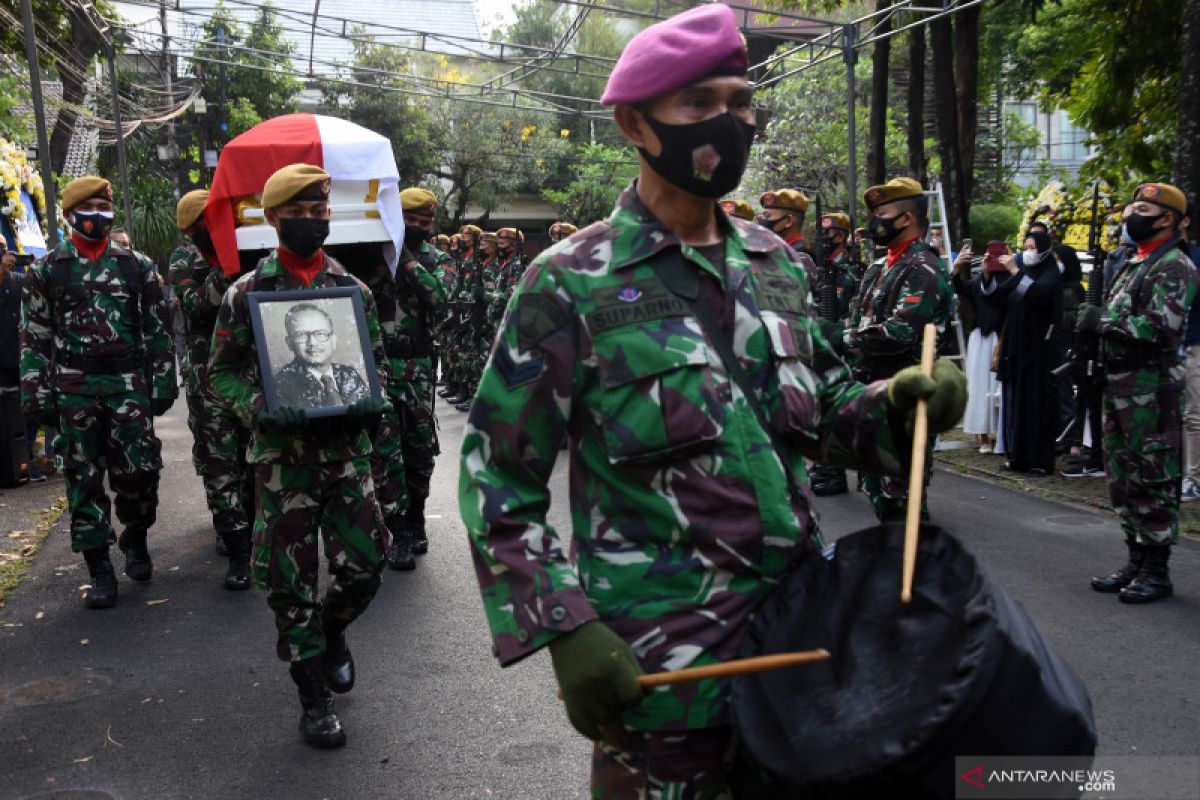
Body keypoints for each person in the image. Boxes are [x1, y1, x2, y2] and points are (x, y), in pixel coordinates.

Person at [458, 6, 967, 796]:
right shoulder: (568, 279)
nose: (728, 124)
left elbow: (823, 408)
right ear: (634, 121)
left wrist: (900, 405)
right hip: (662, 672)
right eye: (699, 106)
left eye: (739, 103)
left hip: (798, 654)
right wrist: (564, 628)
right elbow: (498, 477)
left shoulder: (776, 265)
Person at [209, 164, 389, 747]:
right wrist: (261, 404)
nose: (314, 223)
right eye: (301, 214)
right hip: (283, 461)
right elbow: (222, 374)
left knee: (366, 565)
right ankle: (313, 698)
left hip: (346, 456)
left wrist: (370, 399)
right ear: (273, 218)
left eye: (321, 213)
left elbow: (374, 364)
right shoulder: (247, 294)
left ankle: (333, 630)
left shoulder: (353, 292)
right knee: (288, 581)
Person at [20, 176, 177, 609]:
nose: (98, 216)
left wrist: (163, 380)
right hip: (75, 389)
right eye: (89, 208)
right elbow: (34, 337)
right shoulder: (48, 270)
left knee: (139, 472)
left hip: (128, 385)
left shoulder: (136, 266)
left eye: (104, 207)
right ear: (70, 215)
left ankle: (136, 534)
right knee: (83, 477)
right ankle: (99, 568)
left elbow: (157, 328)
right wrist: (35, 392)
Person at [1079, 183, 1197, 603]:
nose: (1132, 213)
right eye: (1132, 206)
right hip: (1120, 386)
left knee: (1153, 478)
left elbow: (1161, 326)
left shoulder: (1175, 266)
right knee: (1123, 480)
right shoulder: (1133, 263)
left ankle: (1157, 571)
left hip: (1151, 391)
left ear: (1167, 218)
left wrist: (1103, 320)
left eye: (1142, 207)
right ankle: (1136, 559)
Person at [841, 177, 956, 522]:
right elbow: (857, 319)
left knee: (902, 501)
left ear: (905, 219)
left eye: (883, 212)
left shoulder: (923, 269)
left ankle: (912, 570)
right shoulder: (881, 267)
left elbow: (899, 331)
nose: (874, 220)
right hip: (873, 391)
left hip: (905, 395)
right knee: (877, 491)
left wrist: (840, 339)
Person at [168, 190, 255, 588]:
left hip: (250, 373)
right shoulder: (184, 261)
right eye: (208, 222)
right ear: (192, 228)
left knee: (254, 459)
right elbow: (197, 303)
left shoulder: (250, 249)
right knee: (220, 466)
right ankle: (238, 550)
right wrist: (232, 266)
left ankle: (254, 532)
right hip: (208, 377)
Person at [981, 231, 1062, 475]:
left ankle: (1039, 459)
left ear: (1045, 250)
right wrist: (987, 273)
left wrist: (1016, 272)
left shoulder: (1050, 274)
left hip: (1039, 350)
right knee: (1014, 404)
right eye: (1025, 246)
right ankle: (1017, 455)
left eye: (1033, 247)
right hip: (1015, 348)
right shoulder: (1022, 274)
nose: (1028, 252)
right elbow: (997, 297)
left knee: (1035, 405)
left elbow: (1039, 295)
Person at [952, 243, 1003, 453]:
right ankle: (982, 436)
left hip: (1001, 337)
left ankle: (1001, 436)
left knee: (997, 388)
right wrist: (956, 268)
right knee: (980, 387)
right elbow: (960, 288)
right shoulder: (976, 284)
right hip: (980, 337)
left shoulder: (1009, 282)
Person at [273, 303, 369, 408]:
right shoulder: (282, 385)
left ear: (333, 340)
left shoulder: (349, 374)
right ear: (290, 343)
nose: (312, 342)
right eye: (301, 335)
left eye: (321, 333)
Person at [1178, 206, 1200, 501]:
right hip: (1169, 344)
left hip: (1193, 342)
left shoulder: (1194, 256)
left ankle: (1192, 476)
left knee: (1193, 414)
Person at [757, 188, 811, 257]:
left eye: (767, 216)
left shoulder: (799, 255)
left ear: (788, 221)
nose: (762, 220)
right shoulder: (783, 249)